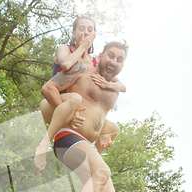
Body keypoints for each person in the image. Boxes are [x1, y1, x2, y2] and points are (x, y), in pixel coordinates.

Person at [39, 41, 128, 192]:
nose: (114, 62)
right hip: (66, 135)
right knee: (101, 172)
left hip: (86, 143)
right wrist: (68, 113)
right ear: (100, 56)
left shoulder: (114, 87)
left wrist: (106, 133)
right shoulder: (81, 70)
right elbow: (48, 88)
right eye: (111, 56)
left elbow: (99, 116)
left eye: (120, 59)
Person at [34, 17, 125, 172]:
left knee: (113, 129)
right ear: (73, 33)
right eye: (81, 28)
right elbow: (66, 64)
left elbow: (122, 87)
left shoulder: (95, 62)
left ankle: (94, 156)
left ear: (94, 34)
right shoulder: (65, 49)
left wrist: (108, 84)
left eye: (90, 29)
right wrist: (82, 47)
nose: (86, 32)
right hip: (53, 102)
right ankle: (43, 144)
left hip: (75, 110)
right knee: (76, 98)